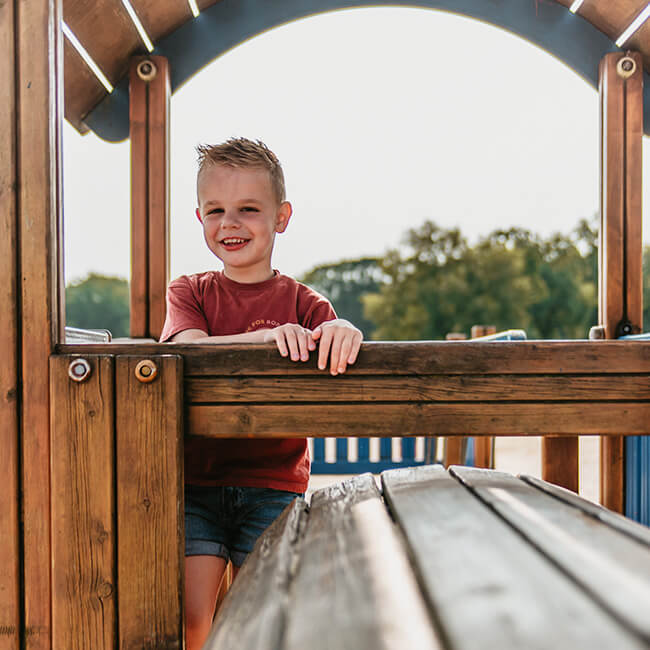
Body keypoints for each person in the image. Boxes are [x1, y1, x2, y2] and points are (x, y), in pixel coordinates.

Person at [159, 137, 363, 649]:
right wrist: (265, 338)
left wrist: (345, 332)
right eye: (216, 211)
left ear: (281, 216)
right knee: (189, 619)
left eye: (248, 209)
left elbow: (335, 335)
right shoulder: (189, 291)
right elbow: (189, 350)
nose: (230, 223)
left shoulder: (303, 301)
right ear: (199, 217)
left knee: (264, 621)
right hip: (197, 484)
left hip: (274, 484)